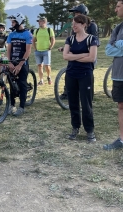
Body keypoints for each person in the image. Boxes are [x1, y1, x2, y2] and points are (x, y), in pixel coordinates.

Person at [62, 14, 98, 142]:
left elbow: (92, 58)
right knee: (73, 103)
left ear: (83, 24)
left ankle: (89, 131)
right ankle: (75, 127)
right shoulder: (70, 39)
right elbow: (65, 56)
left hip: (85, 75)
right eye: (73, 23)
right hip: (71, 74)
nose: (73, 25)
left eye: (76, 23)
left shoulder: (92, 39)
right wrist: (83, 54)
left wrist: (74, 55)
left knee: (86, 103)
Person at [58, 3, 99, 100]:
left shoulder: (92, 25)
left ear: (84, 14)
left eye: (77, 13)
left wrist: (82, 53)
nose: (75, 15)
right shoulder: (74, 25)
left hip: (89, 55)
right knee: (70, 72)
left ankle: (89, 95)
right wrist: (66, 49)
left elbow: (95, 43)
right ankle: (67, 92)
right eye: (75, 13)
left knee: (88, 75)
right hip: (78, 54)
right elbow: (73, 41)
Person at [103, 0, 123, 150]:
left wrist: (118, 44)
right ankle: (122, 140)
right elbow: (108, 50)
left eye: (118, 6)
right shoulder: (117, 28)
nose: (115, 10)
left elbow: (114, 46)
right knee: (121, 106)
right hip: (118, 75)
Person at [6, 12, 33, 116]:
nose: (12, 24)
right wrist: (9, 62)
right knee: (12, 84)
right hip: (12, 63)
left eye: (13, 22)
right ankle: (12, 105)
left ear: (19, 21)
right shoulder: (11, 35)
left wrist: (20, 65)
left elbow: (28, 51)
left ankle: (21, 107)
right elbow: (9, 50)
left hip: (22, 63)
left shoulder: (28, 34)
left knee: (22, 83)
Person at [32, 17, 55, 85]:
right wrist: (35, 48)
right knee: (39, 66)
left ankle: (48, 76)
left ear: (44, 22)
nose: (39, 23)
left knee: (47, 65)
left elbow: (53, 39)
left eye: (40, 21)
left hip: (46, 51)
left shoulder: (49, 30)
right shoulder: (36, 30)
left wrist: (50, 47)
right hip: (38, 51)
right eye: (38, 22)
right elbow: (33, 40)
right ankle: (41, 80)